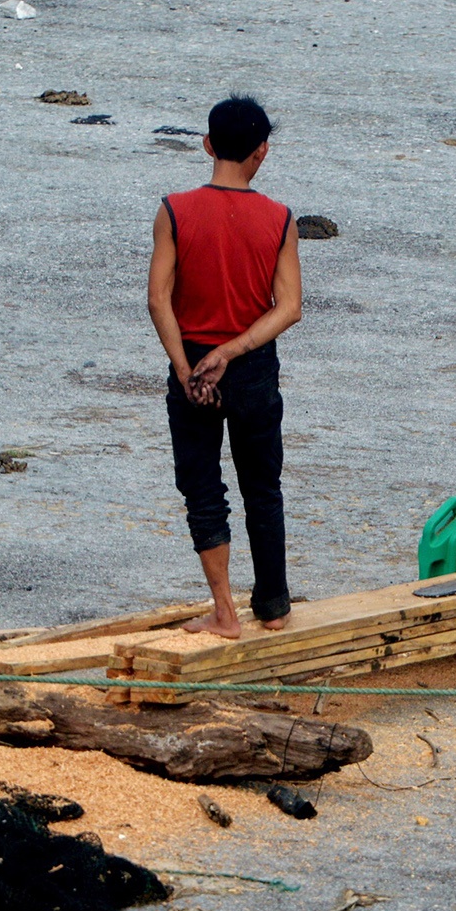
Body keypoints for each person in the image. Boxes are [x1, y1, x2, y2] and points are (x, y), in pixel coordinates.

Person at [147, 96, 302, 638]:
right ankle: (275, 607)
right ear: (262, 152)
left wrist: (188, 366)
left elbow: (158, 299)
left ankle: (224, 612)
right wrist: (232, 352)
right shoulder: (280, 218)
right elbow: (290, 308)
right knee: (263, 485)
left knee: (203, 487)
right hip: (252, 365)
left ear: (207, 144)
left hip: (190, 359)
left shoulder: (173, 209)